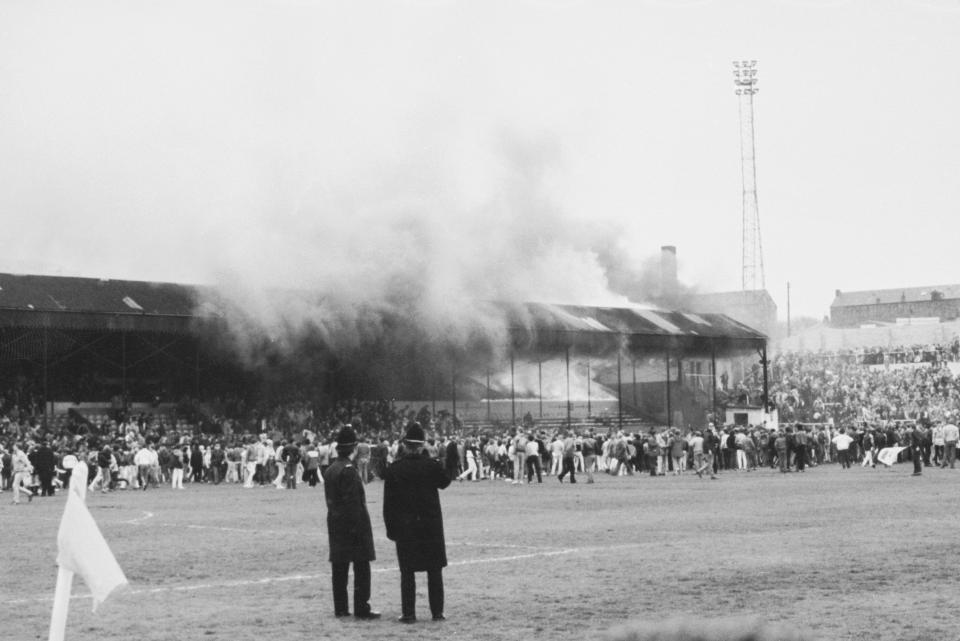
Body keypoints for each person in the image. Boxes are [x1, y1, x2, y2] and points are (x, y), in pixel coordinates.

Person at [383, 422, 452, 623]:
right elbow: (445, 482)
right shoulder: (431, 466)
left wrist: (391, 529)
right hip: (430, 527)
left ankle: (409, 613)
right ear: (422, 445)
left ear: (405, 444)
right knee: (434, 571)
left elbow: (388, 504)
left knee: (407, 572)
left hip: (406, 527)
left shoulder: (396, 469)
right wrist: (437, 458)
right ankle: (437, 612)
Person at [322, 426, 380, 620]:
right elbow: (353, 502)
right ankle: (361, 607)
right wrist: (359, 528)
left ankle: (341, 608)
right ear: (354, 448)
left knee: (339, 568)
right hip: (353, 526)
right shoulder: (349, 471)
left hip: (336, 523)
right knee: (361, 568)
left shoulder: (331, 469)